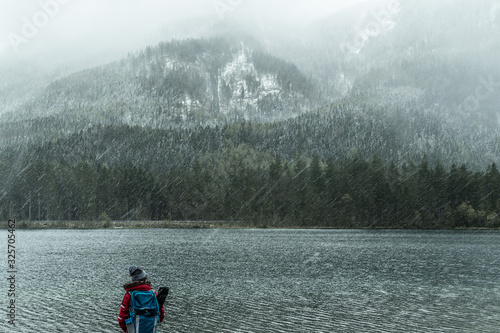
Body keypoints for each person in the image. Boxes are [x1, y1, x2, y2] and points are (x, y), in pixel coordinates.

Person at [118, 266, 165, 332]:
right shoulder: (153, 293)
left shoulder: (129, 295)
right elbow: (161, 314)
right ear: (145, 279)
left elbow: (121, 318)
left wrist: (127, 330)